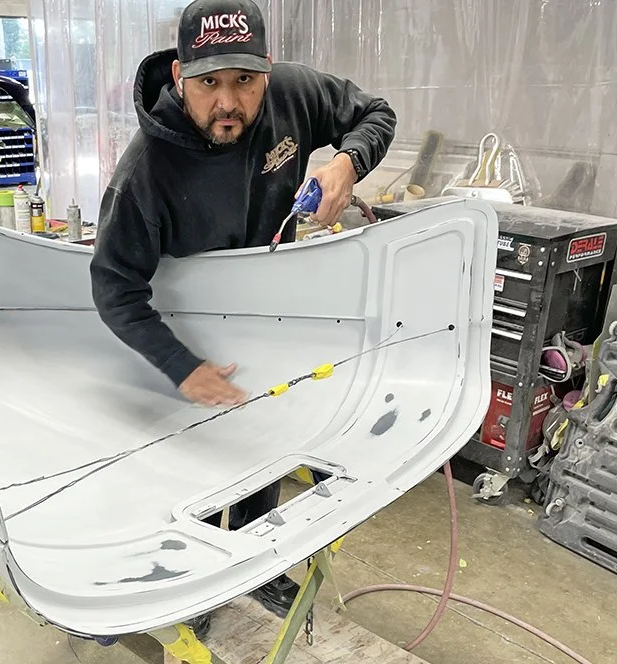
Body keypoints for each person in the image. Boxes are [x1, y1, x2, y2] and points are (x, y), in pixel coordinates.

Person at [90, 0, 396, 621]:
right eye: (208, 83)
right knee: (196, 455)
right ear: (179, 77)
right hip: (188, 317)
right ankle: (190, 578)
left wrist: (347, 161)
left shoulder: (291, 96)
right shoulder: (144, 174)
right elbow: (113, 286)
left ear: (268, 70)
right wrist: (180, 365)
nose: (228, 102)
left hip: (264, 301)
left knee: (264, 435)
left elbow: (374, 113)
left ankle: (253, 562)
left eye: (244, 81)